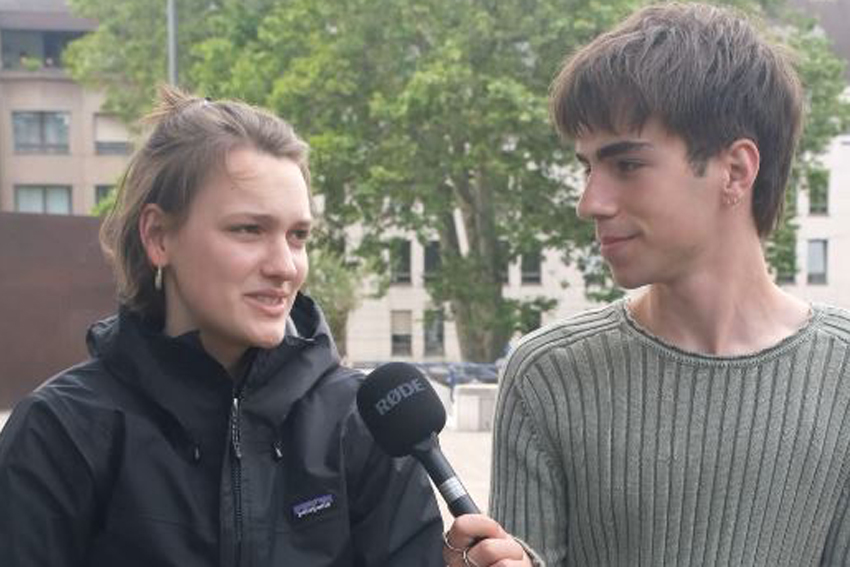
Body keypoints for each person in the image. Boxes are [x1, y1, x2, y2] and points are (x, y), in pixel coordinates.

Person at [0, 86, 444, 566]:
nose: (285, 266)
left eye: (298, 236)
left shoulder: (360, 427)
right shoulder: (58, 433)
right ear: (158, 236)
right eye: (249, 229)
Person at [483, 2, 850, 566]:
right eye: (588, 168)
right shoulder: (547, 377)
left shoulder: (843, 374)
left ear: (735, 170)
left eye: (626, 164)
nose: (590, 203)